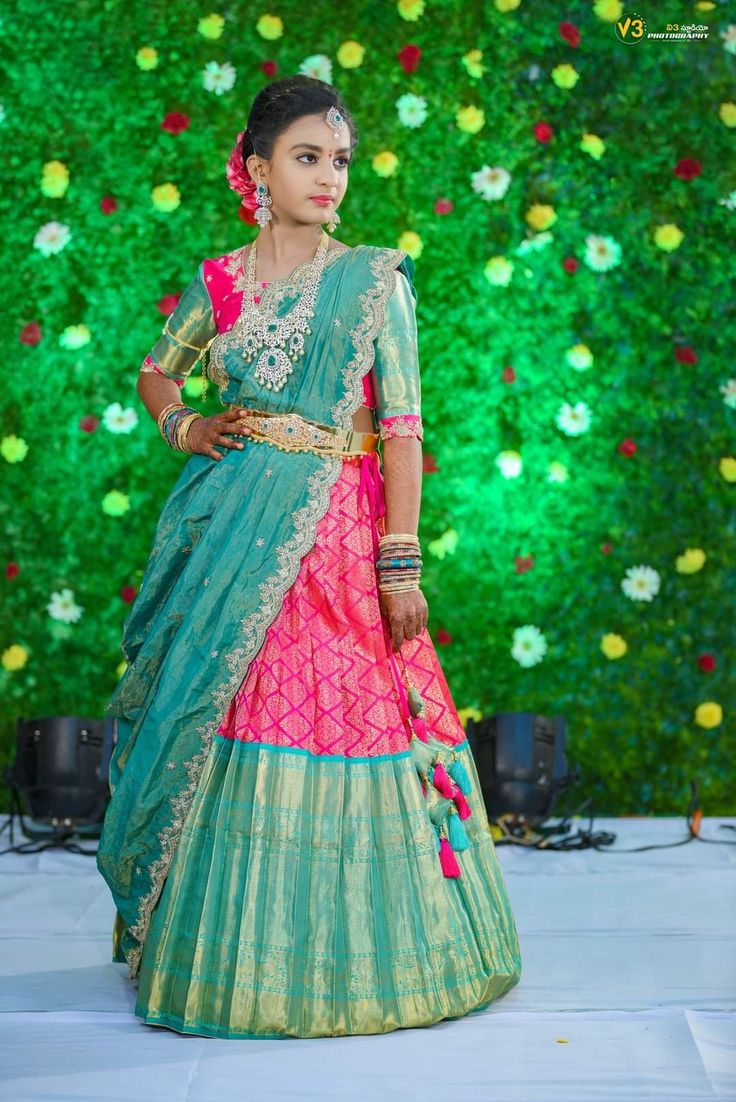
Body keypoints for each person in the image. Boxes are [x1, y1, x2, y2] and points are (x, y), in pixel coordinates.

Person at [96, 74, 522, 1039]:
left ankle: (362, 961)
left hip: (337, 535)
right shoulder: (218, 281)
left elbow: (403, 427)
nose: (329, 176)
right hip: (227, 533)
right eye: (306, 157)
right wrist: (187, 426)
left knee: (344, 716)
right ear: (256, 168)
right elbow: (156, 370)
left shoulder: (375, 279)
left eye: (338, 160)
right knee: (222, 706)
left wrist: (400, 562)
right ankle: (219, 955)